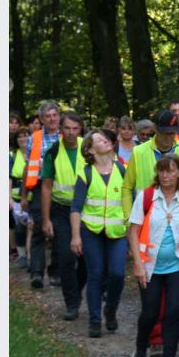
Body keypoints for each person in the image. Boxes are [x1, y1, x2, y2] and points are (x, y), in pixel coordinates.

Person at [122, 108, 179, 357]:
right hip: (146, 226)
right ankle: (148, 340)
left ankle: (166, 353)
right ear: (155, 131)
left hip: (177, 225)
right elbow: (127, 186)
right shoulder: (139, 152)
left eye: (173, 133)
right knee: (150, 305)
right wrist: (129, 219)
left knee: (173, 306)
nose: (169, 138)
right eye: (165, 134)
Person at [70, 129, 128, 338]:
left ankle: (110, 309)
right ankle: (95, 320)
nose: (106, 141)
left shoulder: (122, 170)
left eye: (106, 139)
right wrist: (76, 236)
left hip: (118, 231)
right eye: (100, 140)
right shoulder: (85, 174)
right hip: (91, 231)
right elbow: (76, 207)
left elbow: (130, 203)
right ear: (90, 149)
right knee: (95, 274)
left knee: (118, 274)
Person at [41, 112, 87, 320]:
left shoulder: (88, 148)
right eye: (67, 128)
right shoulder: (53, 152)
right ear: (61, 129)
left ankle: (76, 291)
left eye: (75, 128)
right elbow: (47, 187)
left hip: (87, 210)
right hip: (61, 211)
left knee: (86, 259)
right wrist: (46, 219)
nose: (70, 132)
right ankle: (71, 303)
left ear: (80, 130)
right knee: (66, 258)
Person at [21, 101, 62, 289]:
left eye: (54, 115)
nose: (52, 119)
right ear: (41, 119)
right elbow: (28, 167)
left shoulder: (68, 135)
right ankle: (37, 273)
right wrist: (23, 196)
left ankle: (56, 272)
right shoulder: (34, 138)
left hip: (61, 189)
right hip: (38, 187)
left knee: (59, 232)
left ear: (59, 116)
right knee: (38, 229)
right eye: (48, 116)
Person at [10, 128, 32, 268]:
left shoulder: (36, 153)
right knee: (19, 228)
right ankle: (22, 255)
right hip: (17, 197)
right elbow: (8, 178)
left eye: (26, 136)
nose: (23, 139)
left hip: (33, 196)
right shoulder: (11, 155)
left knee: (32, 225)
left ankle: (30, 257)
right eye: (20, 137)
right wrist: (9, 199)